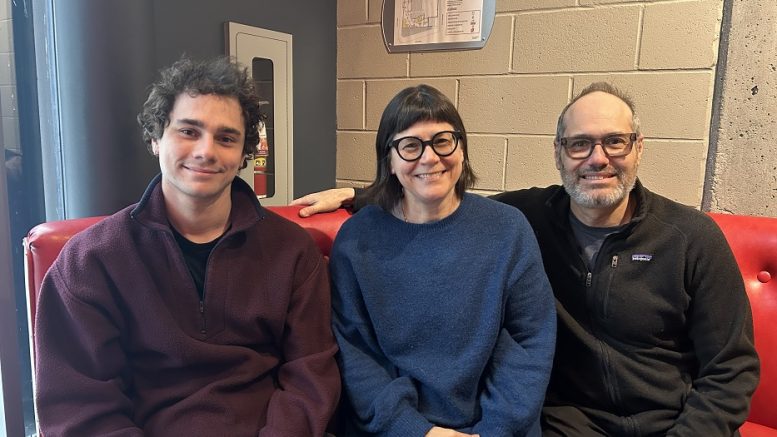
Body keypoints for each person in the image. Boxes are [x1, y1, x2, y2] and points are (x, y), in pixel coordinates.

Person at [293, 82, 760, 435]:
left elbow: (731, 370)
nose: (597, 158)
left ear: (638, 147)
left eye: (614, 142)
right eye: (580, 144)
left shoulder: (692, 238)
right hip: (568, 422)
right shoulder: (528, 215)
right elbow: (430, 198)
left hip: (668, 422)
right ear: (558, 153)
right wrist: (360, 195)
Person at [34, 57, 341, 436]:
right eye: (188, 132)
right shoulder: (89, 262)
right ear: (155, 137)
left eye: (226, 138)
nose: (206, 151)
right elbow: (80, 408)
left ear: (244, 153)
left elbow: (310, 376)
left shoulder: (292, 251)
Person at [329, 84, 556, 436]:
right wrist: (416, 431)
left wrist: (495, 428)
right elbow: (354, 353)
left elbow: (530, 341)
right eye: (410, 145)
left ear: (462, 149)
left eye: (443, 141)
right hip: (394, 428)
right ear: (388, 160)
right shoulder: (356, 242)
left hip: (495, 426)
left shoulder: (507, 230)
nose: (429, 157)